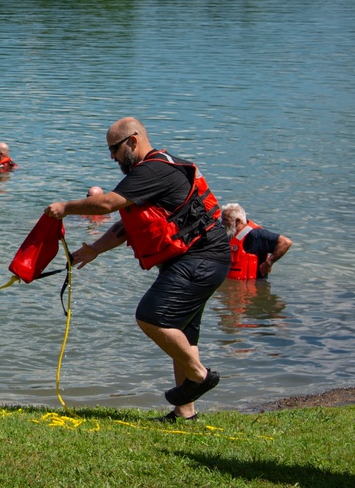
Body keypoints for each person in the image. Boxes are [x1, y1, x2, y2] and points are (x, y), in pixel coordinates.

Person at [45, 117, 230, 423]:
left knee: (151, 316)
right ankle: (185, 413)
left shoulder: (153, 169)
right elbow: (128, 224)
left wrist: (66, 207)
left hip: (200, 258)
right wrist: (94, 249)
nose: (112, 157)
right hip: (201, 258)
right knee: (183, 333)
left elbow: (106, 205)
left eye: (114, 149)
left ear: (132, 141)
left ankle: (201, 375)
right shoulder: (155, 171)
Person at [221, 203, 292, 280]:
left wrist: (268, 263)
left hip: (252, 286)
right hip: (234, 285)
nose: (222, 223)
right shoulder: (231, 233)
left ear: (237, 221)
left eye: (225, 220)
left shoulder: (255, 234)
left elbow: (285, 242)